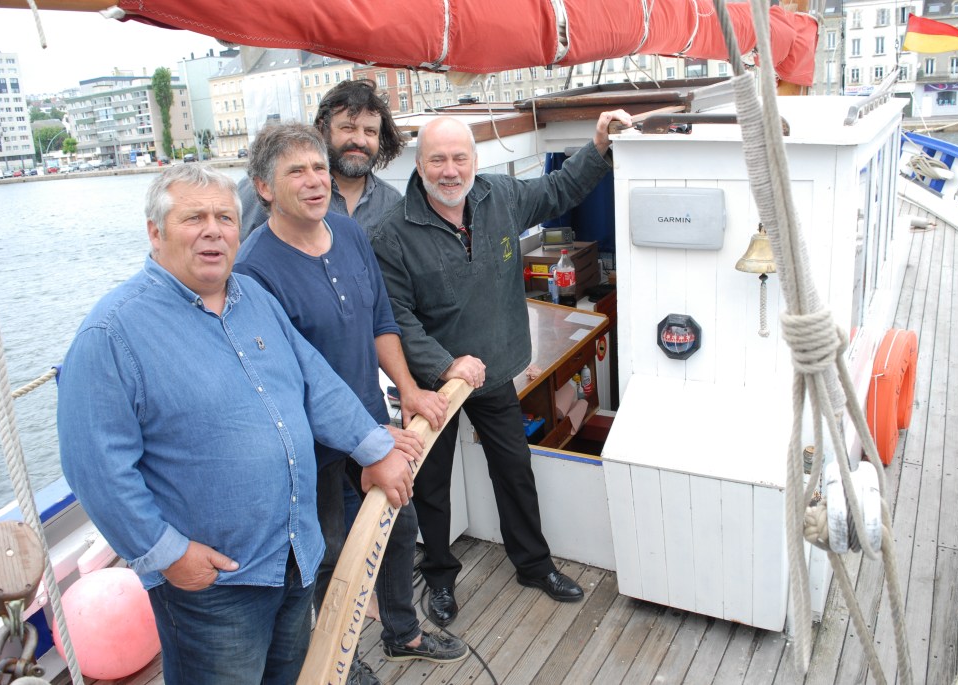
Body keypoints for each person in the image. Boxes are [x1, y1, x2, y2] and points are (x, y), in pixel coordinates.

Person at [56, 163, 423, 684]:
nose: (214, 231)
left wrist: (373, 448)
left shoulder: (254, 298)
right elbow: (95, 466)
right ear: (155, 232)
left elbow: (315, 383)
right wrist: (168, 554)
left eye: (225, 218)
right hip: (214, 587)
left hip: (294, 558)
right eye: (194, 218)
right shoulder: (112, 334)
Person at [370, 109, 632, 627]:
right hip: (432, 388)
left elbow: (559, 188)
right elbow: (396, 318)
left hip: (494, 371)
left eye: (459, 158)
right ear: (419, 166)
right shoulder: (391, 235)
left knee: (514, 470)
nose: (450, 171)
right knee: (431, 486)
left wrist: (600, 145)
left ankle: (533, 565)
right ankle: (439, 576)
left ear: (475, 161)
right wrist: (446, 365)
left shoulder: (502, 196)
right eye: (437, 160)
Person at [234, 122, 467, 674]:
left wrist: (409, 390)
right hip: (312, 448)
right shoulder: (252, 270)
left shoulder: (349, 233)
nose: (315, 180)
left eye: (319, 167)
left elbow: (380, 319)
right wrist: (364, 439)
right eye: (296, 171)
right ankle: (344, 659)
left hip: (374, 423)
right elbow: (284, 381)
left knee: (400, 526)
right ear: (264, 187)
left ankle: (403, 634)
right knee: (330, 553)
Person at [238, 78, 404, 242]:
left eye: (370, 131)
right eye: (348, 128)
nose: (360, 141)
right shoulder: (269, 189)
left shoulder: (392, 202)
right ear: (321, 127)